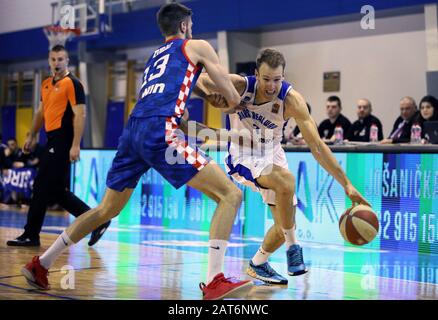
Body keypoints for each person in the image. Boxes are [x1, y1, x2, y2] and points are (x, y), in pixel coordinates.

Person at [21, 3, 252, 300]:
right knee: (230, 195)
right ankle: (214, 280)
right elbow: (230, 93)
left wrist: (206, 97)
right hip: (159, 131)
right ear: (183, 26)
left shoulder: (156, 57)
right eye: (190, 25)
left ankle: (41, 263)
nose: (192, 29)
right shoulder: (198, 46)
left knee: (106, 210)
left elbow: (175, 95)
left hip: (133, 131)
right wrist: (235, 101)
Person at [195, 48, 370, 285]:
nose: (271, 86)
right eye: (266, 79)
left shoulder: (292, 100)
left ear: (284, 77)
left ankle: (258, 263)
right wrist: (207, 95)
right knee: (286, 181)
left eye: (277, 80)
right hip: (243, 153)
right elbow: (197, 77)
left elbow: (317, 147)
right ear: (256, 74)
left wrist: (346, 184)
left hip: (272, 154)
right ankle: (293, 247)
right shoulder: (239, 85)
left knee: (284, 224)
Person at [7, 45, 110, 247]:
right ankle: (98, 221)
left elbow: (80, 114)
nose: (57, 63)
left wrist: (75, 145)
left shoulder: (73, 84)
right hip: (51, 140)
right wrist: (32, 135)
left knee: (41, 186)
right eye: (53, 59)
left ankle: (31, 235)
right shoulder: (45, 84)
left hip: (64, 140)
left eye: (60, 59)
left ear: (67, 61)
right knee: (55, 191)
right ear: (49, 61)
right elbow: (40, 112)